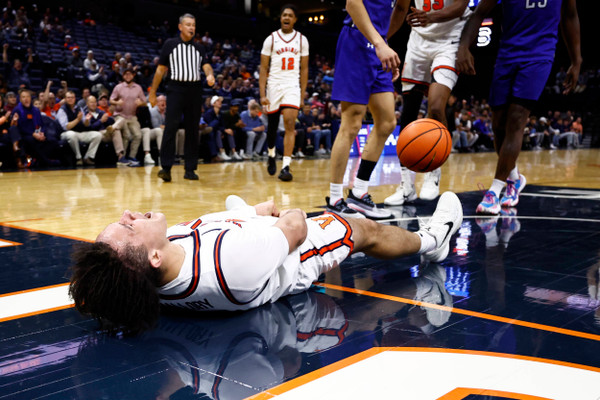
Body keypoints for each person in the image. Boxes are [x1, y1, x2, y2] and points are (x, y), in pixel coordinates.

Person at [69, 191, 463, 334]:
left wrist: (249, 214)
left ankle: (254, 223)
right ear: (154, 257)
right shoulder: (229, 265)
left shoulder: (144, 271)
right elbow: (295, 227)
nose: (127, 213)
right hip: (293, 259)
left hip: (245, 254)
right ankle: (434, 241)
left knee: (242, 212)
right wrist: (277, 218)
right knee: (359, 228)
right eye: (128, 226)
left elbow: (198, 228)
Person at [457, 0, 581, 214]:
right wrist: (463, 47)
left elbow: (570, 16)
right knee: (498, 126)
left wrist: (576, 61)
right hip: (507, 54)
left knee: (516, 118)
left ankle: (494, 192)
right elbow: (479, 13)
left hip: (539, 55)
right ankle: (514, 178)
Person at [326, 0, 409, 219]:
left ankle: (359, 192)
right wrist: (380, 44)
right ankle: (335, 198)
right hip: (355, 41)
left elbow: (401, 9)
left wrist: (383, 43)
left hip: (378, 45)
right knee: (352, 123)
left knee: (387, 122)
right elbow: (352, 3)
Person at [384, 0, 471, 207]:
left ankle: (433, 172)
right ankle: (406, 186)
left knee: (436, 106)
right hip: (419, 41)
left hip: (450, 40)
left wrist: (429, 17)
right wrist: (383, 40)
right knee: (408, 111)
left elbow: (460, 7)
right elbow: (401, 8)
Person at [149, 13, 215, 183]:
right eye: (188, 24)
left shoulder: (200, 48)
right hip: (175, 88)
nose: (191, 28)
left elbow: (206, 66)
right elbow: (160, 70)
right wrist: (152, 92)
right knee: (171, 127)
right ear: (180, 27)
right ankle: (166, 168)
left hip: (195, 90)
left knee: (192, 129)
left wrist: (210, 75)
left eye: (193, 25)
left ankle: (190, 169)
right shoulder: (170, 44)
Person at [259, 4, 309, 181]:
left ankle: (286, 166)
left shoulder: (302, 40)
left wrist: (302, 94)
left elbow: (304, 69)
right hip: (274, 84)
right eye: (284, 15)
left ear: (295, 19)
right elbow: (263, 68)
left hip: (291, 85)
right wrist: (262, 94)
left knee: (289, 123)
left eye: (290, 15)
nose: (286, 17)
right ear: (280, 18)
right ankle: (271, 153)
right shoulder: (271, 39)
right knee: (272, 127)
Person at [110, 68, 146, 166]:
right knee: (126, 135)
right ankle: (122, 157)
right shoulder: (118, 87)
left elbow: (144, 102)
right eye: (126, 74)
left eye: (130, 74)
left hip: (132, 116)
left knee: (138, 135)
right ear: (123, 76)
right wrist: (117, 102)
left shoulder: (138, 88)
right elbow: (111, 100)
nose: (128, 76)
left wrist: (140, 103)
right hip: (120, 115)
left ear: (133, 75)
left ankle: (131, 156)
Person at [56, 90, 102, 166]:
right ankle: (78, 158)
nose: (70, 99)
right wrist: (77, 119)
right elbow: (66, 127)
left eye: (72, 97)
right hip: (65, 134)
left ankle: (88, 157)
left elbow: (86, 125)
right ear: (65, 99)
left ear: (75, 99)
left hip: (79, 133)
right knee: (71, 134)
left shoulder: (79, 108)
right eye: (68, 97)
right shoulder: (62, 110)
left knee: (98, 135)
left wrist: (87, 120)